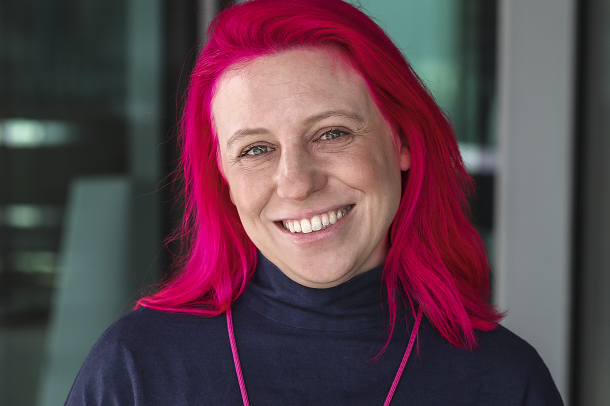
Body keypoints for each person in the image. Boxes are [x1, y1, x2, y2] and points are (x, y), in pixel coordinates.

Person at [66, 0, 564, 404]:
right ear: (224, 178)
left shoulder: (503, 381)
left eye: (331, 134)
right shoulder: (134, 369)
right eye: (256, 149)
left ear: (403, 141)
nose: (296, 183)